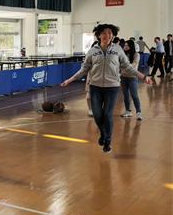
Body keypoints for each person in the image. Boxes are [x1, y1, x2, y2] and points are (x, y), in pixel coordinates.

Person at [61, 24, 152, 154]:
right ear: (99, 35)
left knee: (107, 114)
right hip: (95, 87)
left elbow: (127, 66)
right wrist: (69, 80)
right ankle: (103, 133)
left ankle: (107, 141)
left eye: (110, 33)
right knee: (97, 115)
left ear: (112, 35)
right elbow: (84, 69)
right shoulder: (92, 51)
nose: (107, 35)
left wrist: (143, 77)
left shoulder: (118, 49)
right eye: (104, 33)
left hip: (112, 87)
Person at [120, 40, 143, 120]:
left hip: (132, 77)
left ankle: (139, 112)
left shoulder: (136, 54)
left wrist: (125, 66)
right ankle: (128, 111)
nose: (125, 47)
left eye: (127, 45)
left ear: (131, 46)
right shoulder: (123, 54)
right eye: (125, 45)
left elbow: (134, 63)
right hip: (123, 77)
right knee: (126, 95)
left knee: (134, 95)